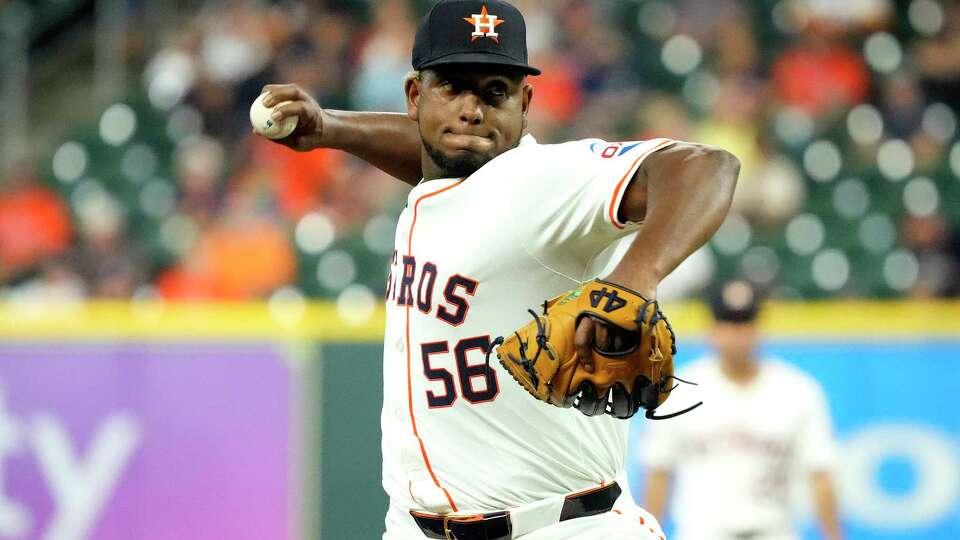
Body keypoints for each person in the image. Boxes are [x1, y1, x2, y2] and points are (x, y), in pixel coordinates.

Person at [257, 1, 739, 538]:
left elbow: (706, 166)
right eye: (452, 87)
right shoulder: (444, 183)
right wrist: (332, 128)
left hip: (561, 527)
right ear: (414, 96)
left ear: (526, 102)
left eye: (495, 92)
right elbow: (434, 154)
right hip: (417, 526)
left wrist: (635, 278)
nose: (472, 110)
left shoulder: (544, 180)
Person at [642, 279, 844, 540]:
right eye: (728, 324)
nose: (737, 335)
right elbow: (659, 473)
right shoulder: (677, 391)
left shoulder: (799, 391)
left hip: (773, 531)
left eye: (745, 323)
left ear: (759, 328)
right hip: (702, 531)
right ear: (712, 329)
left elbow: (820, 475)